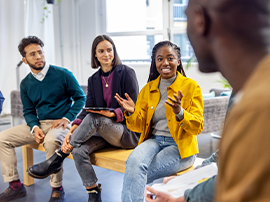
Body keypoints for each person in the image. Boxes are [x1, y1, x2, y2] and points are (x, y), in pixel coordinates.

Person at [148, 0, 270, 201]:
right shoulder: (245, 92)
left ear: (199, 20)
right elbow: (227, 160)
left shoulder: (257, 109)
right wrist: (189, 181)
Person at [27, 35, 140, 202]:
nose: (106, 54)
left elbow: (135, 107)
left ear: (114, 51)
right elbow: (88, 108)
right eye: (101, 51)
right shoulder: (93, 79)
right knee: (79, 149)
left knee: (96, 118)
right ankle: (93, 193)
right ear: (95, 55)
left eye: (109, 50)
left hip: (125, 133)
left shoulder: (127, 73)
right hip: (103, 133)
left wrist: (114, 113)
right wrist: (72, 128)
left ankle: (58, 158)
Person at [115, 40, 204, 201]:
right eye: (160, 59)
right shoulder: (149, 88)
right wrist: (131, 112)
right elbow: (138, 126)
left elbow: (197, 127)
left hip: (180, 146)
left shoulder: (191, 86)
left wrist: (180, 112)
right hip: (154, 140)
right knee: (134, 163)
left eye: (170, 58)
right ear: (154, 62)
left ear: (178, 61)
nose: (165, 63)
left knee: (136, 174)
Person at [0, 36, 86, 202]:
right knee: (2, 138)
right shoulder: (26, 83)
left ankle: (57, 188)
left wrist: (67, 118)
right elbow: (29, 110)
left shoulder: (63, 74)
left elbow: (81, 98)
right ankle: (15, 186)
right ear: (24, 60)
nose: (38, 56)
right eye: (33, 54)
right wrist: (34, 127)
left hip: (61, 123)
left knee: (51, 141)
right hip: (40, 124)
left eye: (40, 52)